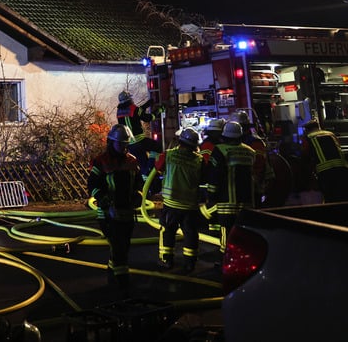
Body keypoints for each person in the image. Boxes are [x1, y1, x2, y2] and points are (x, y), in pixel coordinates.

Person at [88, 124, 143, 297]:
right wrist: (104, 201)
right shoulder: (101, 161)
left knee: (123, 246)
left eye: (126, 144)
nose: (124, 147)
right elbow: (92, 186)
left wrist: (139, 196)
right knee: (118, 246)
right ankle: (123, 284)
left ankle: (113, 274)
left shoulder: (132, 161)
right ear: (111, 142)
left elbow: (139, 183)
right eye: (121, 144)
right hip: (107, 214)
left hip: (127, 212)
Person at [152, 127, 204, 273]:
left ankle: (166, 260)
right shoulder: (199, 160)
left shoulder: (168, 155)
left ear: (180, 141)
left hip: (171, 204)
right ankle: (190, 263)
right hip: (190, 206)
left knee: (167, 231)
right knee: (190, 233)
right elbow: (203, 178)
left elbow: (158, 168)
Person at [205, 120, 256, 265]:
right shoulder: (250, 151)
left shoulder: (220, 150)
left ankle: (226, 262)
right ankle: (244, 260)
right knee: (243, 233)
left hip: (226, 201)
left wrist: (211, 195)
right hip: (247, 201)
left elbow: (215, 175)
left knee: (226, 232)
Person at [117, 91, 161, 183]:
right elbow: (148, 118)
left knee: (143, 165)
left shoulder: (119, 111)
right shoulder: (134, 108)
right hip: (140, 140)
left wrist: (148, 104)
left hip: (130, 145)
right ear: (130, 99)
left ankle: (147, 186)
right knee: (157, 147)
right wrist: (158, 111)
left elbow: (136, 112)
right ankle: (151, 167)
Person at [301, 120, 348, 202]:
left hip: (325, 172)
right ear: (318, 127)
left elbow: (305, 155)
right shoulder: (330, 134)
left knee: (330, 197)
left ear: (307, 130)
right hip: (342, 168)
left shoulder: (308, 137)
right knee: (343, 195)